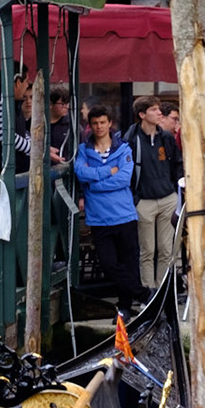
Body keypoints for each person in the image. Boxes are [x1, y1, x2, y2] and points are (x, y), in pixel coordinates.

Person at [74, 106, 145, 313]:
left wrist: (94, 184)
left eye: (102, 122)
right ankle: (143, 294)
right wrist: (107, 171)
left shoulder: (124, 148)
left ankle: (124, 307)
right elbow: (80, 173)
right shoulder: (83, 150)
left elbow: (124, 178)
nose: (99, 127)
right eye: (95, 123)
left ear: (110, 124)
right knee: (108, 264)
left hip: (124, 215)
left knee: (129, 263)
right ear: (90, 126)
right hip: (98, 218)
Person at [130, 95, 182, 293]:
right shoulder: (131, 139)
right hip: (144, 200)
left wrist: (176, 190)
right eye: (153, 109)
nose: (159, 112)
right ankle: (147, 292)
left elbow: (177, 164)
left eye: (159, 108)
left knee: (167, 249)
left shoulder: (166, 137)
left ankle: (163, 291)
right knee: (147, 250)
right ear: (142, 115)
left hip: (168, 198)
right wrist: (135, 198)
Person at [0, 72, 33, 173]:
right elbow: (6, 136)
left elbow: (22, 132)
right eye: (25, 81)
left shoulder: (13, 103)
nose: (27, 85)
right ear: (17, 82)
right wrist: (35, 148)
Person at [47, 85, 73, 164]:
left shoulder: (71, 126)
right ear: (51, 104)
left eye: (67, 103)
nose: (66, 107)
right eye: (62, 104)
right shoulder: (39, 124)